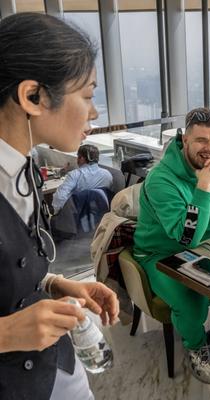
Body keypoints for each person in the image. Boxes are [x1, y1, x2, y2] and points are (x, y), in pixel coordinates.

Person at [0, 13, 119, 400]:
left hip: (57, 363)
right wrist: (5, 334)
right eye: (87, 96)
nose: (94, 113)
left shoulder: (24, 166)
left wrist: (53, 283)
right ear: (33, 96)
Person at [133, 107, 210, 384]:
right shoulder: (160, 179)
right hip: (161, 254)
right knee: (193, 302)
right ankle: (196, 346)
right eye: (201, 140)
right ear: (185, 140)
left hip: (209, 249)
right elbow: (185, 239)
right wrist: (203, 188)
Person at [51, 144, 113, 214]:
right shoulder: (107, 175)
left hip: (78, 215)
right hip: (101, 214)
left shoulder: (75, 174)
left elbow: (59, 197)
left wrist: (58, 213)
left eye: (78, 156)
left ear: (82, 158)